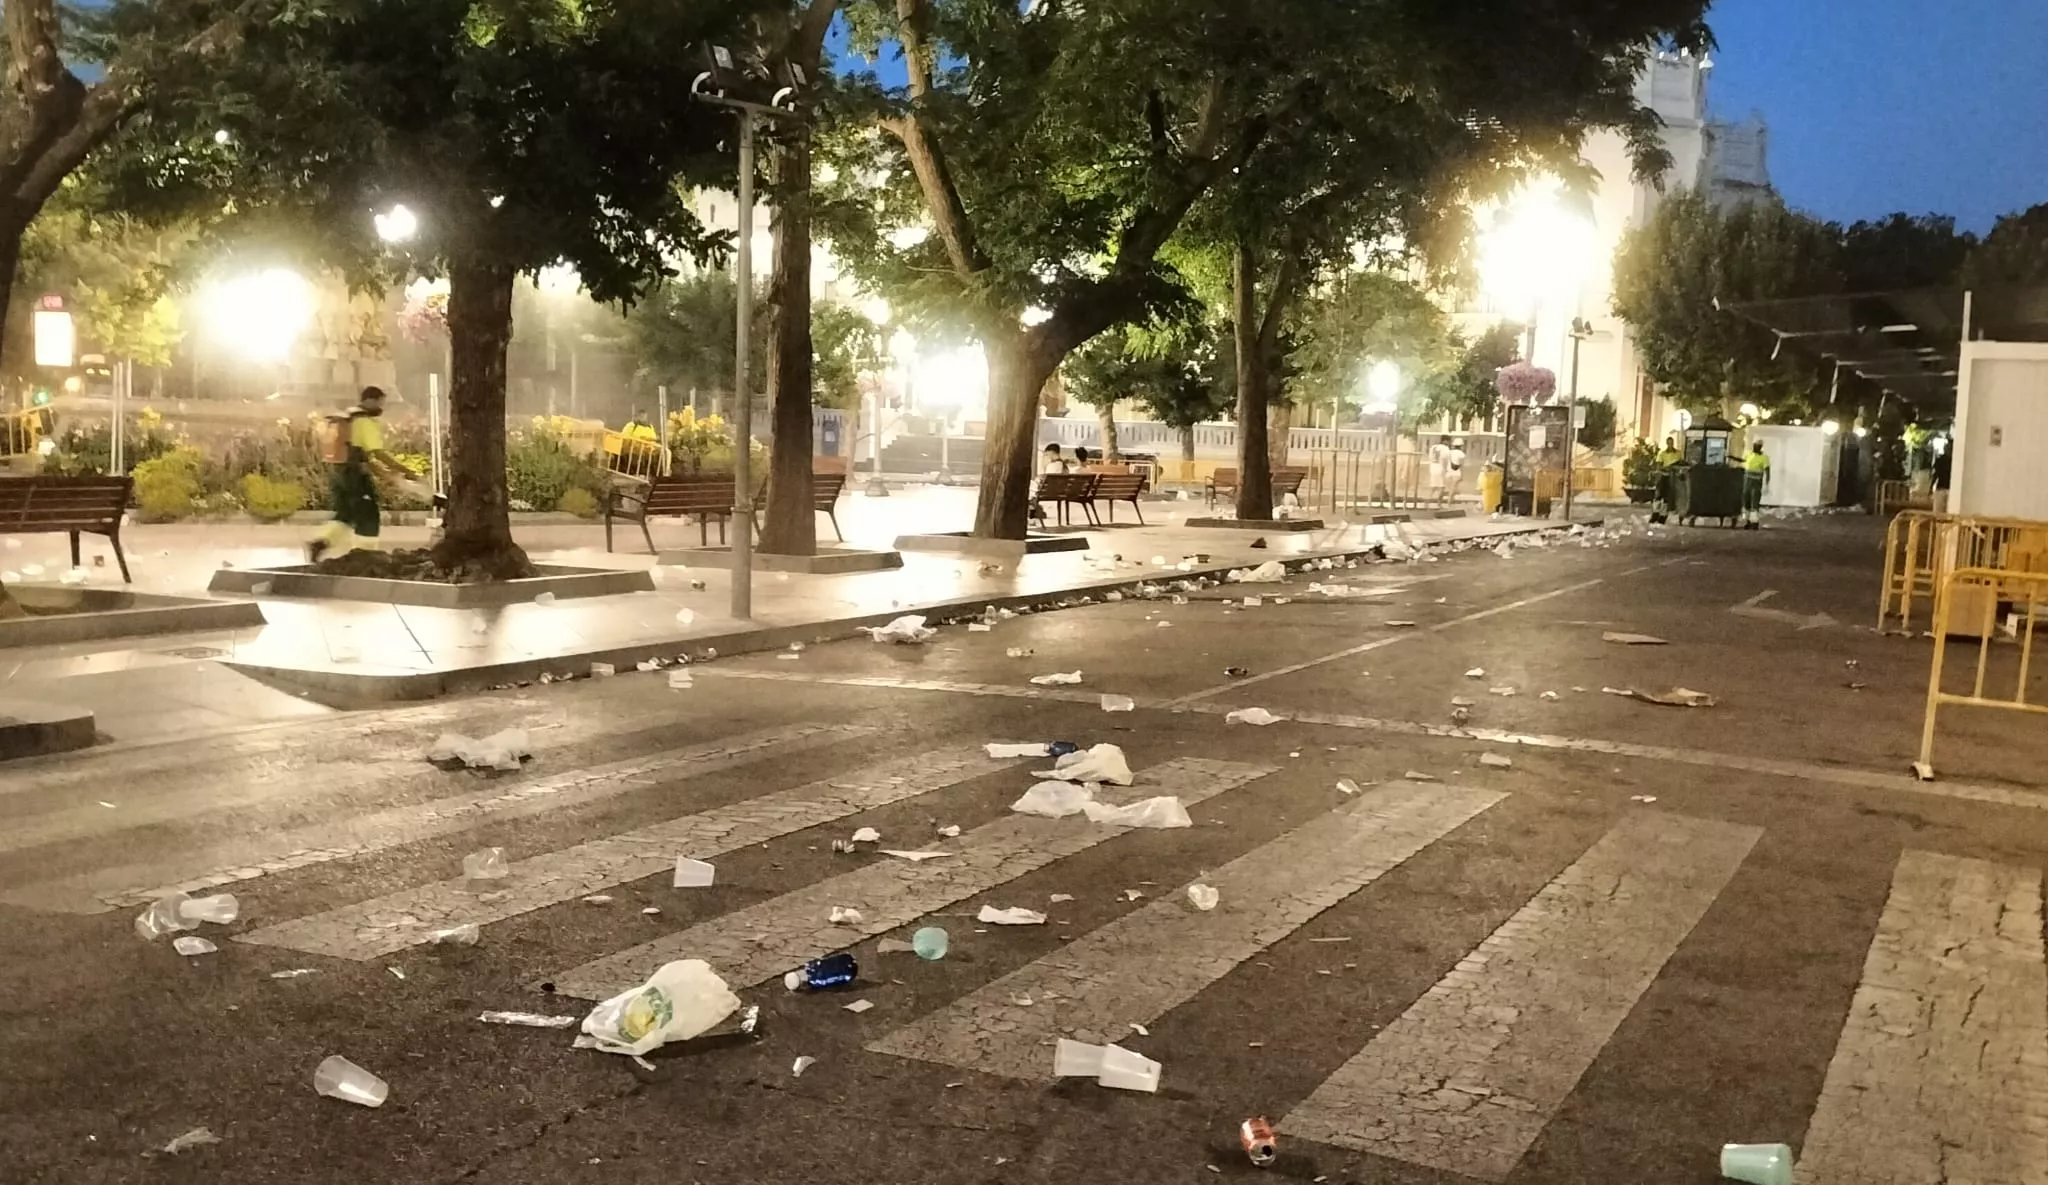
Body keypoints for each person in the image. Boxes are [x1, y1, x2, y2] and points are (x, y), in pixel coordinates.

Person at [308, 387, 417, 562]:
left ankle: (320, 542)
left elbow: (360, 454)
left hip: (339, 473)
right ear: (370, 400)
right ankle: (365, 555)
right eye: (380, 402)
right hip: (355, 476)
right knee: (369, 514)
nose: (381, 407)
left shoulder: (348, 418)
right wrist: (406, 471)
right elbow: (378, 452)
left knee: (346, 514)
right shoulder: (364, 421)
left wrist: (387, 474)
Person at [1742, 440, 1771, 529]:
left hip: (1756, 483)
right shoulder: (1749, 455)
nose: (1755, 447)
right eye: (1754, 445)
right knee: (1746, 503)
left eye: (1757, 446)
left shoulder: (1764, 457)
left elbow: (1767, 471)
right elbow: (1743, 461)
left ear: (1760, 447)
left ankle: (1754, 523)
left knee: (1754, 503)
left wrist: (1767, 484)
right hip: (1747, 482)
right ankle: (1748, 521)